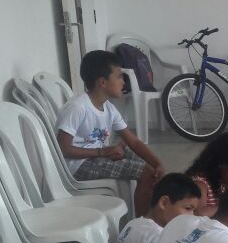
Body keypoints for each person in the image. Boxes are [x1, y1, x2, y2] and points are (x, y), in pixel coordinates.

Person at [55, 50, 164, 215]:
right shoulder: (78, 107)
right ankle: (142, 223)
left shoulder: (109, 108)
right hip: (76, 166)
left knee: (150, 168)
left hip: (94, 157)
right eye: (119, 77)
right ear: (102, 82)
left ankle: (147, 217)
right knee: (146, 172)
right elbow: (63, 149)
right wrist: (102, 152)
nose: (123, 82)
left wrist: (157, 163)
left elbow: (134, 142)